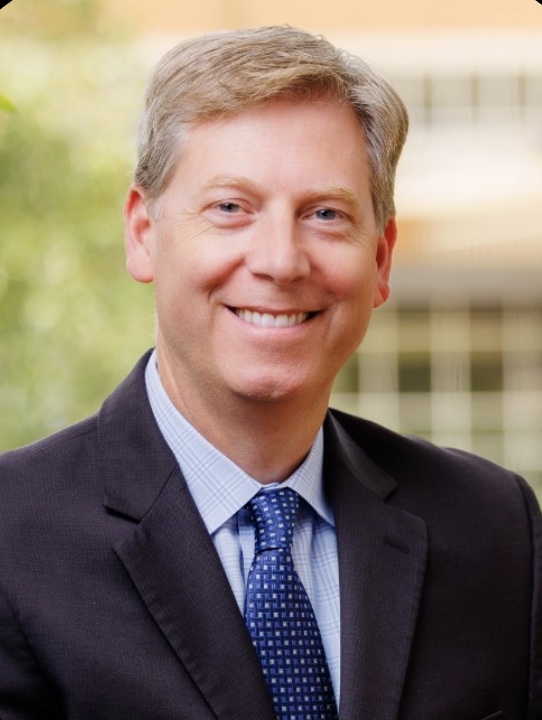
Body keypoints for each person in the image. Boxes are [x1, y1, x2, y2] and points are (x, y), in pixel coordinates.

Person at [0, 26, 540, 720]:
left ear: (380, 259)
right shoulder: (12, 536)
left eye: (325, 214)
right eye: (231, 208)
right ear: (143, 233)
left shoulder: (495, 528)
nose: (281, 261)